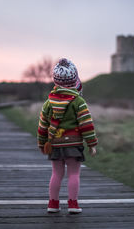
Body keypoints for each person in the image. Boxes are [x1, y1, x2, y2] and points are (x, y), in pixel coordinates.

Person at [37, 58, 98, 214]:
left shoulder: (48, 103)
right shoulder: (79, 102)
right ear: (74, 80)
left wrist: (42, 143)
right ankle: (73, 204)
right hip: (73, 145)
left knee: (56, 174)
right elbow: (86, 124)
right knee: (74, 174)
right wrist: (91, 143)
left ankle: (53, 203)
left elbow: (43, 125)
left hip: (55, 144)